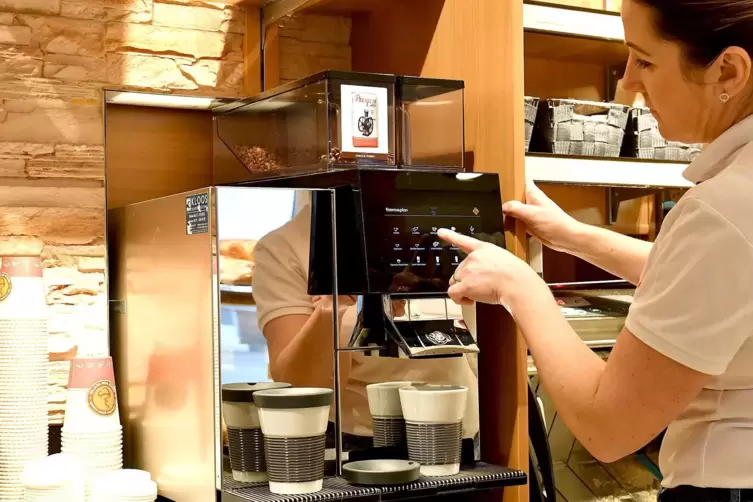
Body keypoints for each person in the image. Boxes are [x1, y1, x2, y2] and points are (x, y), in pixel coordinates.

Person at [439, 1, 753, 500]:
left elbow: (609, 426)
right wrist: (570, 234)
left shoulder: (726, 206)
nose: (628, 82)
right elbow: (716, 288)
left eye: (645, 60)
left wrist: (521, 287)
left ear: (729, 70)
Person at [252, 194, 479, 448]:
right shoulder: (288, 247)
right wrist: (331, 308)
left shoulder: (440, 221)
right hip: (357, 442)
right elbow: (303, 387)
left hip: (466, 431)